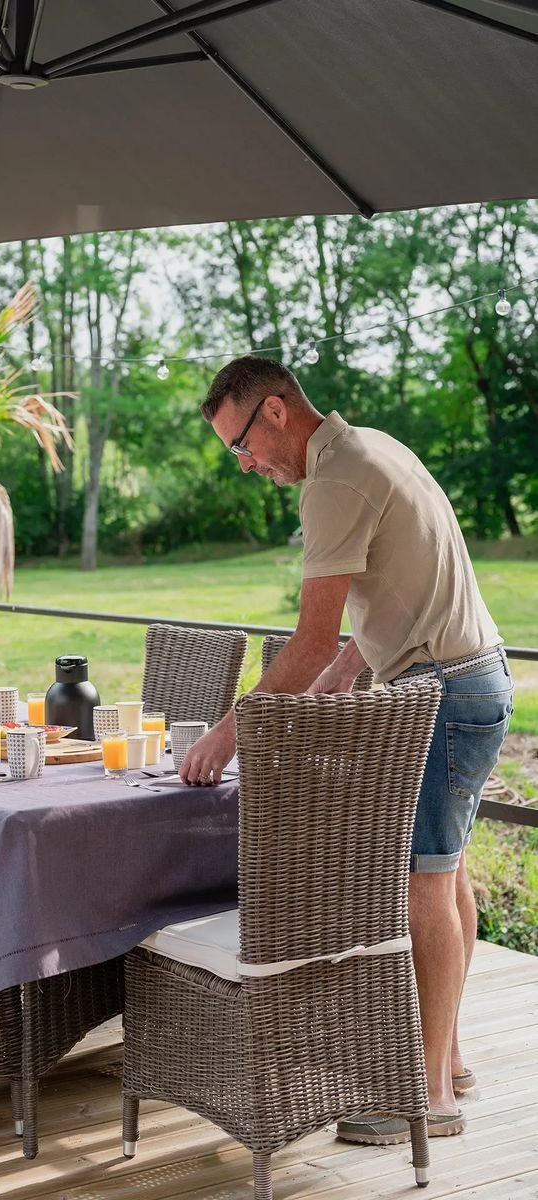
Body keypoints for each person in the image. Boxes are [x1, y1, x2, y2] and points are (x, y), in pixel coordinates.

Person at [180, 355, 513, 1145]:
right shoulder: (374, 447)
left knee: (419, 884)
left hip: (442, 695)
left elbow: (301, 645)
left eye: (241, 446)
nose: (248, 465)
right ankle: (450, 1058)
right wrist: (342, 674)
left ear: (273, 412)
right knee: (447, 871)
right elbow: (400, 589)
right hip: (477, 679)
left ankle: (425, 1097)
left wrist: (225, 736)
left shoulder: (333, 483)